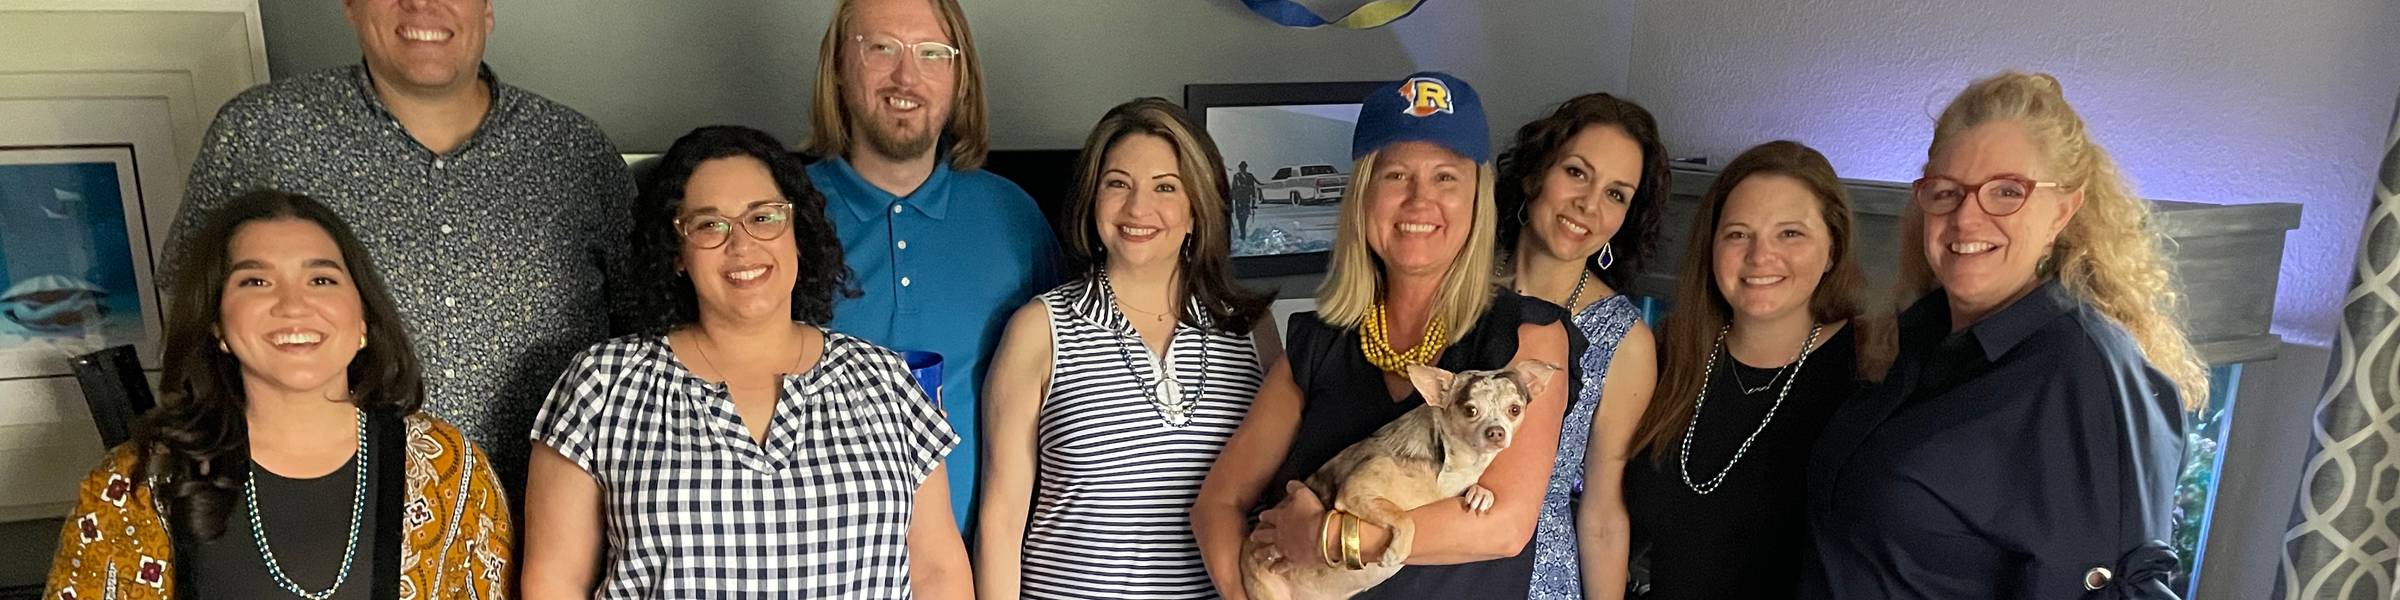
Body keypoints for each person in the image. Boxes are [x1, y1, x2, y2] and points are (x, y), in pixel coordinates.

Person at [165, 0, 636, 495]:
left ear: (487, 8)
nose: (422, 4)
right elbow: (194, 314)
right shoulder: (260, 133)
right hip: (337, 519)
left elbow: (646, 324)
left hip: (560, 518)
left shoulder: (574, 149)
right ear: (350, 6)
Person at [520, 126, 971, 599]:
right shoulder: (602, 384)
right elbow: (555, 581)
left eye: (764, 217)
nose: (741, 245)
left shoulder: (886, 383)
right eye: (709, 225)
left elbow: (938, 573)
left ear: (797, 232)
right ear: (677, 253)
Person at [1805, 71, 2205, 599]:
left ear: (2063, 210)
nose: (1967, 217)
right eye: (1946, 192)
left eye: (2007, 192)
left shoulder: (2083, 373)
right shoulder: (1917, 339)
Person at [1193, 71, 1580, 599]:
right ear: (1363, 197)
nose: (1420, 201)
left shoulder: (1527, 336)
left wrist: (1330, 535)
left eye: (1446, 177)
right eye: (1396, 176)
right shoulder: (1318, 342)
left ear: (1477, 197)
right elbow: (1217, 503)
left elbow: (1504, 526)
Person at [47, 189, 511, 599]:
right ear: (217, 325)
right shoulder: (135, 485)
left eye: (321, 280)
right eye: (256, 281)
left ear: (364, 320)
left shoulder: (450, 471)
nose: (293, 305)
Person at [976, 98, 1282, 599]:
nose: (1138, 208)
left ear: (1195, 209)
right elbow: (1001, 523)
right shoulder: (1038, 329)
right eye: (1118, 184)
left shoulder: (1253, 331)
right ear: (1092, 199)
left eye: (1165, 187)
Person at [804, 0, 1060, 529]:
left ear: (959, 79)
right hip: (825, 564)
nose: (907, 75)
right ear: (837, 69)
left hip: (982, 566)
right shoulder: (777, 219)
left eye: (931, 53)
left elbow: (1070, 395)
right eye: (881, 48)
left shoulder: (1014, 217)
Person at [1620, 141, 1886, 599]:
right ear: (1712, 247)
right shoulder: (1667, 353)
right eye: (1738, 234)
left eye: (1790, 234)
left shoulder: (1874, 369)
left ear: (1831, 249)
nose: (1761, 256)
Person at [1492, 92, 1668, 599]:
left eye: (1617, 194)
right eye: (1576, 173)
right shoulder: (1455, 285)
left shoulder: (1625, 338)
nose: (1589, 205)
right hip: (1419, 556)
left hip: (1536, 575)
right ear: (1534, 175)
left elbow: (1603, 514)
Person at [1233, 161, 1263, 238]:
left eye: (1244, 167)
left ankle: (1243, 233)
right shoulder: (1236, 176)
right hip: (1239, 200)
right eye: (1242, 167)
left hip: (1247, 199)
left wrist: (1253, 200)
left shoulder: (1250, 176)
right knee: (1240, 217)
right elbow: (1234, 188)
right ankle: (1242, 233)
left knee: (1245, 216)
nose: (1243, 169)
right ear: (1240, 168)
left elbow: (1253, 188)